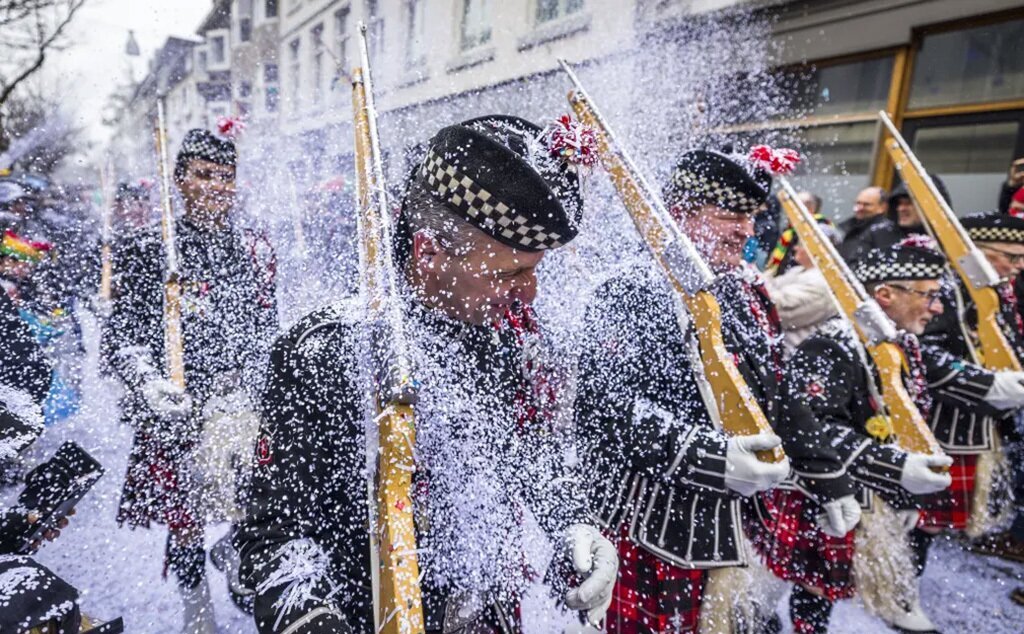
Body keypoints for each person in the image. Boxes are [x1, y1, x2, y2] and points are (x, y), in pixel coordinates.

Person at [235, 115, 618, 633]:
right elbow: (275, 539)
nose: (529, 294)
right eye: (511, 273)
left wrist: (572, 521)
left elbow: (525, 448)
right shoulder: (324, 352)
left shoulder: (500, 332)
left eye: (535, 271)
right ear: (429, 252)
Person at [576, 147, 800, 633]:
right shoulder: (629, 289)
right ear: (679, 214)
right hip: (655, 523)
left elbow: (772, 385)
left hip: (736, 522)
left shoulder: (736, 289)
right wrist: (709, 457)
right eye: (729, 216)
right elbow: (601, 406)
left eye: (752, 216)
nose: (747, 231)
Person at [106, 127, 278, 633]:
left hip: (238, 402)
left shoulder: (256, 246)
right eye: (204, 175)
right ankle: (195, 605)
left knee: (255, 504)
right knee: (186, 523)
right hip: (176, 405)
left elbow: (268, 328)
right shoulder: (150, 250)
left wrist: (257, 380)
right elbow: (121, 340)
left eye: (226, 176)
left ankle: (238, 555)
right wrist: (148, 383)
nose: (216, 186)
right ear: (180, 180)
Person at [917, 212, 1024, 608]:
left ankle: (907, 586)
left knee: (931, 522)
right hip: (936, 422)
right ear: (978, 251)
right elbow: (922, 354)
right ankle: (898, 592)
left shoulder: (994, 290)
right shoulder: (942, 289)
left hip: (977, 423)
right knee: (917, 518)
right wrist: (985, 383)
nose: (1018, 266)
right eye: (1009, 257)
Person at [765, 214, 841, 352]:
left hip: (789, 357)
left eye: (801, 244)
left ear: (818, 250)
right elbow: (765, 285)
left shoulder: (821, 284)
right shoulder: (799, 271)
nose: (795, 248)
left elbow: (774, 309)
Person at [838, 186, 899, 263]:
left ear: (882, 207)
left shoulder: (884, 231)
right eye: (858, 203)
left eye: (866, 205)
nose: (860, 208)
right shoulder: (847, 229)